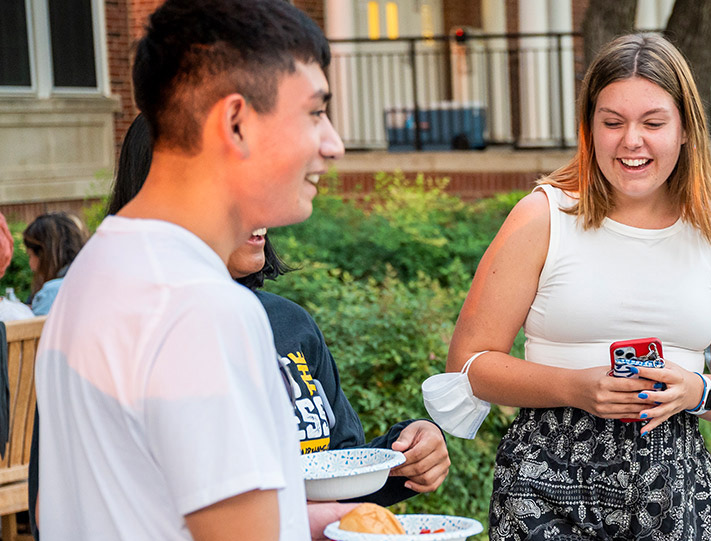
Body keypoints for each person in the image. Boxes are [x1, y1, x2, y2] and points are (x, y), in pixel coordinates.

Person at [35, 0, 345, 541]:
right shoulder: (203, 309)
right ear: (235, 122)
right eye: (315, 113)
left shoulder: (94, 272)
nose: (331, 144)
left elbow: (137, 517)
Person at [447, 33, 711, 541]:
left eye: (653, 122)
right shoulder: (545, 216)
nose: (632, 141)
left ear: (686, 127)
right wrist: (575, 388)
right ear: (589, 127)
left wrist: (698, 390)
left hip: (674, 481)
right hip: (551, 473)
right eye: (612, 121)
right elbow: (469, 364)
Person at [104, 112, 451, 505]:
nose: (265, 207)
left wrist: (401, 458)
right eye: (238, 186)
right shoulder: (128, 338)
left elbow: (336, 471)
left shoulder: (288, 323)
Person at [23, 212, 87, 315]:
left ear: (43, 254)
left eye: (30, 255)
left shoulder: (51, 292)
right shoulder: (92, 279)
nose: (31, 266)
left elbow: (36, 330)